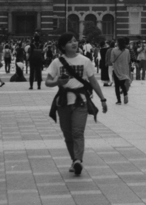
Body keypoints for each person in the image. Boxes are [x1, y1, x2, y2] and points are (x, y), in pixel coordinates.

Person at [45, 33, 108, 175]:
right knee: (68, 135)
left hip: (81, 102)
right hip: (63, 103)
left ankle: (78, 160)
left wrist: (103, 99)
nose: (74, 43)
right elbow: (47, 82)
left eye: (75, 41)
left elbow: (93, 81)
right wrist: (57, 82)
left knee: (78, 132)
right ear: (62, 46)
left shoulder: (85, 60)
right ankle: (74, 160)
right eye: (69, 42)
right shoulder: (57, 62)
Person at [108, 37, 132, 105]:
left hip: (116, 70)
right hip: (124, 70)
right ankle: (125, 94)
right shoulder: (127, 51)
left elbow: (112, 60)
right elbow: (129, 60)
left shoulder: (114, 50)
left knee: (117, 86)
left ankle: (119, 101)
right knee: (122, 84)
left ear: (118, 43)